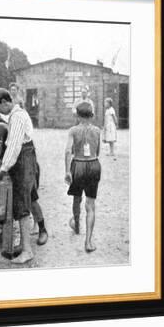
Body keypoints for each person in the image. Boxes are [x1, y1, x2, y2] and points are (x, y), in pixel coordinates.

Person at [0, 88, 47, 263]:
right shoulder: (17, 115)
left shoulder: (17, 117)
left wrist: (3, 169)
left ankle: (27, 251)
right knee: (30, 197)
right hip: (25, 158)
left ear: (5, 102)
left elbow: (14, 146)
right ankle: (30, 239)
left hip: (23, 159)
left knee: (22, 205)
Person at [64, 102, 101, 252]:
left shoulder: (73, 130)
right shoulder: (97, 130)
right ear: (91, 115)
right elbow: (97, 151)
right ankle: (88, 242)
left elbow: (68, 151)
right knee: (90, 205)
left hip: (78, 164)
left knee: (76, 198)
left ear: (77, 115)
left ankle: (77, 225)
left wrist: (67, 171)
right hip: (93, 164)